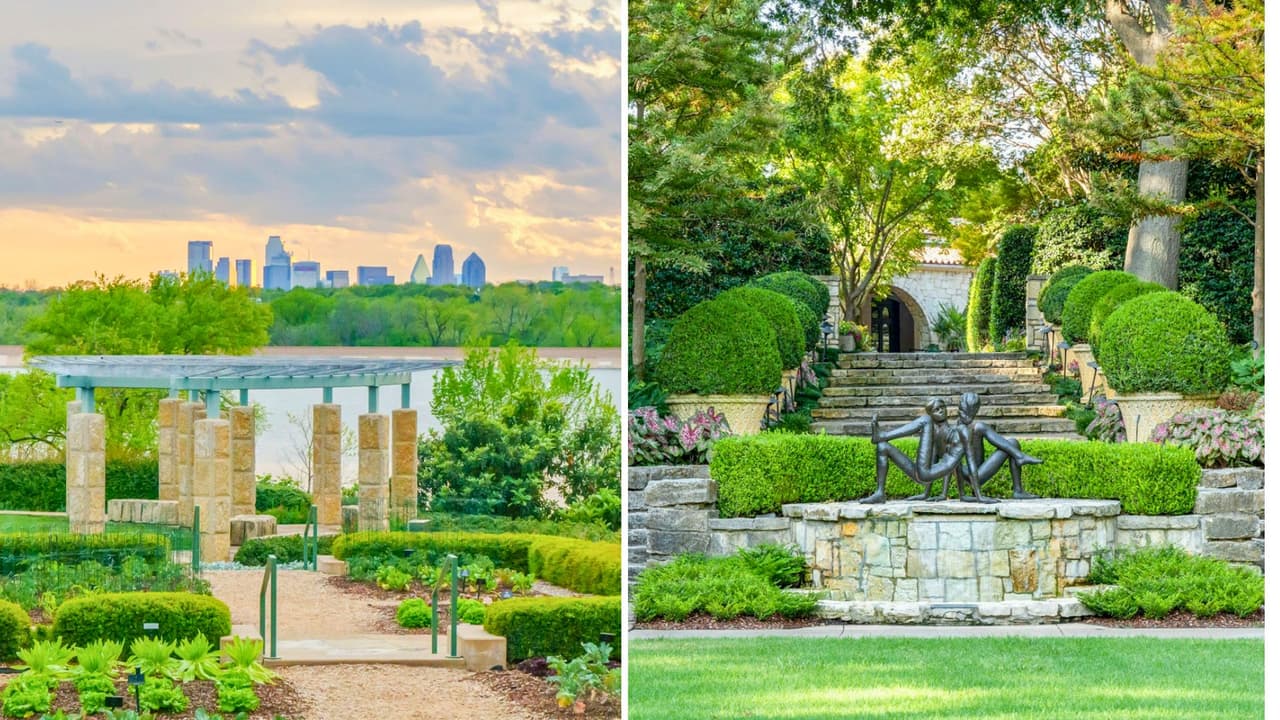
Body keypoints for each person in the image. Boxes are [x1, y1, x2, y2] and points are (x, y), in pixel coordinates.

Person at [859, 398, 961, 503]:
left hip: (925, 473)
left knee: (926, 420)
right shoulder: (933, 433)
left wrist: (943, 494)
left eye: (942, 407)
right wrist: (925, 494)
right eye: (936, 409)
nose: (941, 411)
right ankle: (880, 493)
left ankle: (882, 436)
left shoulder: (952, 433)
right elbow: (932, 461)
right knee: (882, 446)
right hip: (919, 473)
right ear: (932, 414)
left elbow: (950, 464)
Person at [948, 391, 1042, 501]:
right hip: (972, 476)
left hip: (976, 470)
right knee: (1008, 441)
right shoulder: (955, 432)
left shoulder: (966, 427)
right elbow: (953, 465)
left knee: (1009, 441)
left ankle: (1018, 485)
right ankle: (1019, 460)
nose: (970, 416)